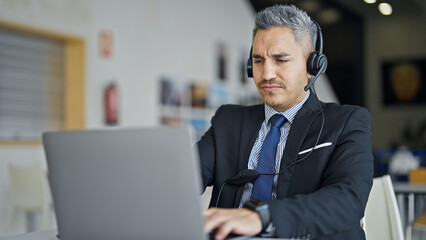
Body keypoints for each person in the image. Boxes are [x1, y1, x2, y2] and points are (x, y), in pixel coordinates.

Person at [198, 4, 373, 240]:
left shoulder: (347, 121)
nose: (267, 73)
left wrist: (262, 217)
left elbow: (348, 200)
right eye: (258, 61)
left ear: (313, 67)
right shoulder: (227, 121)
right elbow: (186, 178)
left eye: (280, 60)